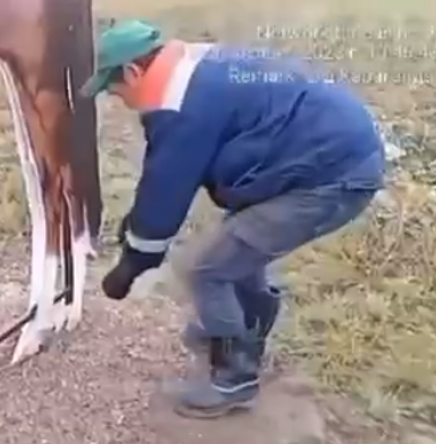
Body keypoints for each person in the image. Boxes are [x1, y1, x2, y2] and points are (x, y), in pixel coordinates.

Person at [79, 19, 386, 419]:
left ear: (135, 71)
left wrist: (131, 264)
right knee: (237, 248)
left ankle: (234, 376)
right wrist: (138, 228)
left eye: (117, 91)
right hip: (318, 155)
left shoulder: (178, 104)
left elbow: (165, 192)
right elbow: (167, 184)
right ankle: (246, 328)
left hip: (329, 179)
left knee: (208, 268)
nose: (121, 102)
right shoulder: (198, 64)